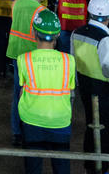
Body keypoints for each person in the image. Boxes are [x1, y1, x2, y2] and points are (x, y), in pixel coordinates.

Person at [70, 0, 109, 174]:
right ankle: (101, 169)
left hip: (85, 87)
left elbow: (72, 60)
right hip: (105, 91)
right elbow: (108, 70)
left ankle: (89, 166)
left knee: (91, 125)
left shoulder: (77, 32)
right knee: (106, 131)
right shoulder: (106, 40)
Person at [16, 10, 75, 173]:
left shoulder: (24, 59)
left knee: (33, 166)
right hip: (60, 121)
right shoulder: (69, 61)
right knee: (62, 167)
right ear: (57, 35)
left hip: (31, 120)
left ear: (34, 33)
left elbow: (22, 91)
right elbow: (70, 91)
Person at [9, 0, 52, 143]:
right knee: (34, 93)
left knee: (17, 93)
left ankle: (17, 132)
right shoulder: (42, 11)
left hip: (16, 53)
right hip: (34, 57)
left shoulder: (16, 3)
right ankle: (31, 128)